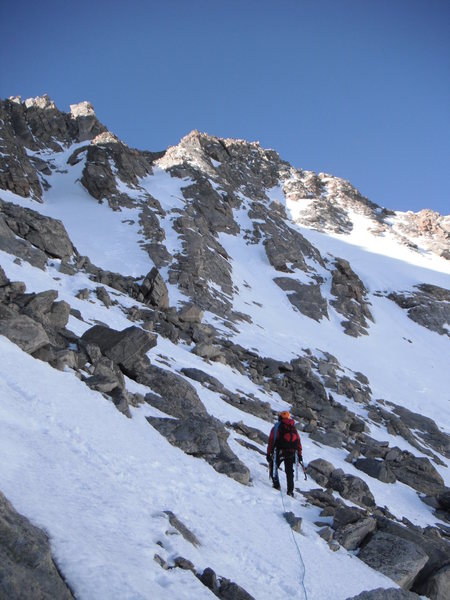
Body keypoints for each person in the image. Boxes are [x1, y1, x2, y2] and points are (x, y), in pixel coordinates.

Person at [266, 411, 302, 497]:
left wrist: (268, 453)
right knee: (289, 471)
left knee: (274, 466)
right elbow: (298, 442)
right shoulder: (293, 427)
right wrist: (299, 454)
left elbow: (271, 440)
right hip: (292, 451)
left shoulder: (277, 427)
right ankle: (290, 491)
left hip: (280, 451)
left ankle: (276, 485)